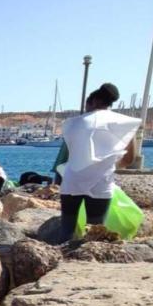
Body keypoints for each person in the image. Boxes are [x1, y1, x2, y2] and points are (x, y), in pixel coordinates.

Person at [57, 83, 141, 243]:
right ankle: (89, 260)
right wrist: (107, 165)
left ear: (93, 101)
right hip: (101, 182)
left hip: (72, 180)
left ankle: (62, 256)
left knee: (67, 227)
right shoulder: (125, 124)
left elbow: (69, 155)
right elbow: (129, 160)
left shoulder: (73, 124)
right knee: (95, 228)